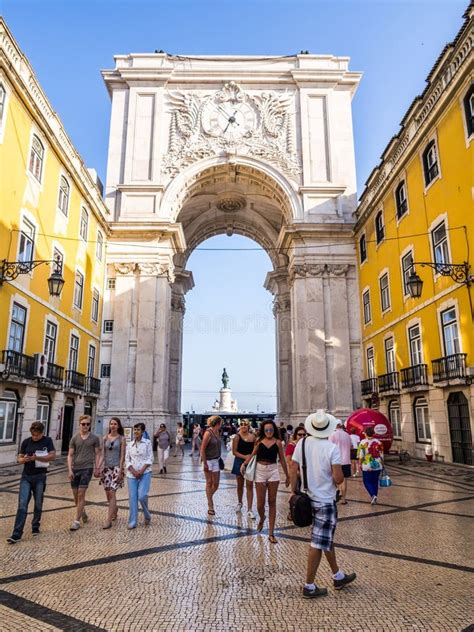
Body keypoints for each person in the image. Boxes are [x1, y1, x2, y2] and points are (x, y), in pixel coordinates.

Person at [290, 409, 356, 598]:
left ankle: (338, 575)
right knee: (317, 543)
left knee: (324, 537)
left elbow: (293, 468)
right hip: (324, 501)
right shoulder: (331, 448)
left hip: (306, 498)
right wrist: (339, 474)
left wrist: (293, 492)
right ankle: (309, 586)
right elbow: (338, 478)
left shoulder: (301, 443)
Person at [6, 422, 56, 544]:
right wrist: (24, 459)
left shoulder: (47, 441)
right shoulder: (26, 442)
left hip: (40, 476)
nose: (35, 437)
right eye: (33, 435)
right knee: (22, 505)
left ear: (42, 433)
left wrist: (37, 458)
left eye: (37, 435)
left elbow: (52, 456)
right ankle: (16, 534)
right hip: (26, 476)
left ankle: (35, 525)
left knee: (38, 503)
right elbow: (19, 458)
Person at [243, 419, 289, 544]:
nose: (269, 432)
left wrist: (287, 475)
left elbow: (283, 459)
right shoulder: (259, 441)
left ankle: (271, 533)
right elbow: (252, 455)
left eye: (271, 430)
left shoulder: (278, 442)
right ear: (263, 430)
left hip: (273, 470)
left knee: (272, 501)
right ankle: (262, 517)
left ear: (274, 430)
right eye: (267, 430)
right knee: (260, 504)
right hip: (260, 471)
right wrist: (244, 464)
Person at [68, 414, 101, 531]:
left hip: (87, 468)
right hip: (75, 468)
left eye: (87, 424)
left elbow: (97, 453)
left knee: (81, 493)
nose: (85, 426)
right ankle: (83, 512)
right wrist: (70, 469)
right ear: (79, 424)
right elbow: (70, 455)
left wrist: (97, 467)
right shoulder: (74, 438)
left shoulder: (95, 438)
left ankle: (76, 521)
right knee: (76, 496)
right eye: (83, 424)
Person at [125, 422, 153, 529]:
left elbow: (150, 458)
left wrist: (141, 471)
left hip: (145, 473)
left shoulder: (147, 443)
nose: (136, 431)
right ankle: (132, 521)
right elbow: (127, 460)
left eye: (138, 430)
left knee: (142, 495)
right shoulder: (129, 444)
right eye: (135, 429)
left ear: (142, 431)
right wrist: (133, 471)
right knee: (133, 498)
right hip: (131, 474)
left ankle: (147, 514)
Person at [100, 417, 126, 529]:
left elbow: (122, 456)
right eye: (111, 424)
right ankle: (114, 509)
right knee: (108, 494)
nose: (113, 426)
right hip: (106, 468)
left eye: (115, 424)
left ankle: (108, 520)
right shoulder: (105, 438)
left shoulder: (122, 439)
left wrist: (120, 470)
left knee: (112, 493)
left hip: (116, 468)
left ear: (118, 426)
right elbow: (102, 454)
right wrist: (98, 467)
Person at [231, 419, 256, 518]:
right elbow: (234, 452)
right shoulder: (237, 437)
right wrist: (245, 457)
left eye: (245, 424)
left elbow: (255, 449)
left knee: (249, 484)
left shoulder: (253, 437)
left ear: (248, 425)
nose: (243, 426)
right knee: (240, 484)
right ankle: (240, 502)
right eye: (241, 424)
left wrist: (249, 458)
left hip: (250, 462)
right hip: (239, 460)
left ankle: (249, 508)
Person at [200, 415, 223, 516]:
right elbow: (202, 449)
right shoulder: (208, 433)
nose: (221, 425)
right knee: (209, 483)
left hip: (216, 460)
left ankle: (209, 496)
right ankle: (210, 505)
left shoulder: (217, 432)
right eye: (221, 423)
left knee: (216, 484)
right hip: (208, 461)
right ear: (218, 423)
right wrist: (204, 463)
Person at [358, 426, 384, 504]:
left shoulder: (363, 442)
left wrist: (360, 464)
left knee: (366, 481)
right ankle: (375, 497)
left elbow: (361, 455)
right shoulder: (379, 442)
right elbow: (382, 455)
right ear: (373, 433)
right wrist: (382, 464)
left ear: (365, 433)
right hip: (378, 464)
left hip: (367, 465)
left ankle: (373, 495)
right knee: (375, 481)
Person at [285, 426, 306, 520]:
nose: (301, 436)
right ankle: (292, 512)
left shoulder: (306, 445)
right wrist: (296, 471)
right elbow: (288, 460)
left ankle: (304, 512)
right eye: (299, 434)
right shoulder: (291, 445)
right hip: (295, 473)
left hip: (305, 473)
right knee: (295, 492)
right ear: (295, 435)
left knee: (304, 493)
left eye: (303, 434)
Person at [328, 421, 352, 504]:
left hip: (336, 461)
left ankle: (335, 495)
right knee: (344, 480)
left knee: (335, 479)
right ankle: (344, 499)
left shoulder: (332, 435)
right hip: (346, 460)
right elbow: (351, 446)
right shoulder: (347, 435)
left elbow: (329, 448)